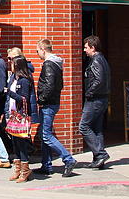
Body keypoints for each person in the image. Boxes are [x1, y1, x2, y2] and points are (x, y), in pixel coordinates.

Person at [33, 38, 77, 177]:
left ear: (43, 49)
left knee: (46, 135)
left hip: (48, 103)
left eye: (37, 51)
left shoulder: (48, 64)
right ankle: (46, 165)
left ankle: (68, 159)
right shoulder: (57, 64)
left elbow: (50, 85)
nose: (37, 54)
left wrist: (41, 99)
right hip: (53, 102)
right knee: (44, 134)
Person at [79, 35, 111, 169]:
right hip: (101, 98)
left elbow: (99, 80)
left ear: (93, 47)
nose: (84, 50)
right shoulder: (101, 59)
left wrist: (89, 93)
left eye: (86, 47)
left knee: (84, 126)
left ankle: (100, 153)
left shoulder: (96, 60)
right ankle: (98, 159)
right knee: (97, 129)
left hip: (95, 99)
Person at [6, 55, 38, 183]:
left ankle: (25, 170)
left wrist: (8, 92)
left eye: (13, 63)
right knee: (15, 142)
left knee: (21, 143)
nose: (10, 65)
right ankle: (18, 170)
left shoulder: (24, 80)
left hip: (21, 116)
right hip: (13, 113)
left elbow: (23, 99)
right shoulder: (15, 78)